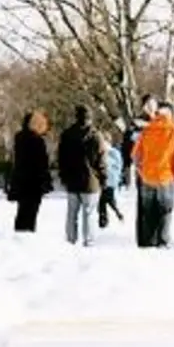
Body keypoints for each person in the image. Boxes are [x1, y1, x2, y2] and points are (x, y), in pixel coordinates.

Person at [131, 101, 174, 248]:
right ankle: (163, 241)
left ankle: (148, 242)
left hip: (147, 178)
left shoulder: (146, 131)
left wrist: (142, 172)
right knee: (165, 211)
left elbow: (136, 155)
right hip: (166, 177)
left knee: (147, 212)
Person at [57, 105, 108, 247]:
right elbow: (101, 160)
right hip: (91, 181)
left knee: (71, 213)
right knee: (89, 212)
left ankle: (70, 240)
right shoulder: (96, 136)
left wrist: (63, 176)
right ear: (90, 118)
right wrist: (104, 178)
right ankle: (88, 241)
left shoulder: (67, 135)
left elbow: (61, 158)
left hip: (72, 180)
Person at [8, 111, 52, 233]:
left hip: (21, 181)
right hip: (34, 183)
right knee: (31, 212)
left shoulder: (19, 138)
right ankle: (26, 235)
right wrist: (46, 182)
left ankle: (19, 233)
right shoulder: (38, 141)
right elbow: (42, 164)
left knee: (22, 211)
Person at [99, 137, 125, 230]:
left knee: (107, 199)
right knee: (103, 200)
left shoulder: (113, 152)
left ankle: (113, 215)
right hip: (105, 180)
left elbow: (118, 165)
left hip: (110, 180)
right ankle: (103, 219)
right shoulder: (104, 152)